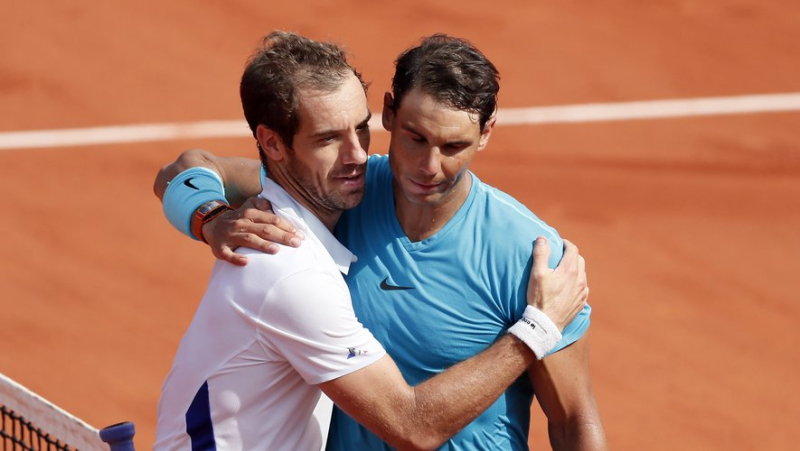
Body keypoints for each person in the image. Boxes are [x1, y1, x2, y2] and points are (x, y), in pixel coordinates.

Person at [153, 31, 591, 451]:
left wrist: (543, 323)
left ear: (487, 131)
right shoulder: (343, 192)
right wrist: (211, 217)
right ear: (390, 114)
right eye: (415, 138)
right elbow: (190, 167)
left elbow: (573, 420)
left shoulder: (531, 257)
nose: (429, 167)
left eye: (454, 146)